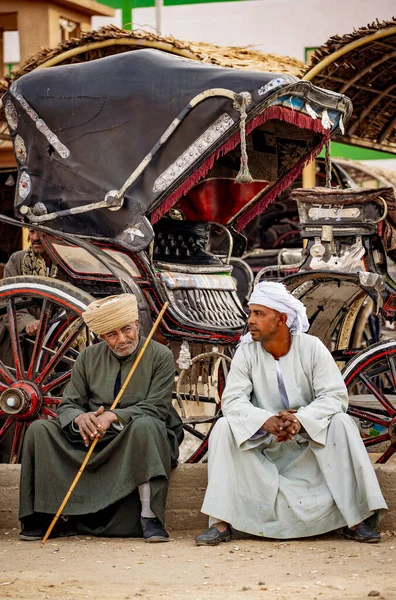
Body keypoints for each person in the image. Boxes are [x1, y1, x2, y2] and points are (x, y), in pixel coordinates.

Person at [196, 282, 387, 546]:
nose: (250, 320)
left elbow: (335, 396)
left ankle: (355, 520)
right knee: (223, 427)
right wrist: (266, 421)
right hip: (263, 444)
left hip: (311, 443)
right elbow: (232, 401)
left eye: (259, 314)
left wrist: (300, 419)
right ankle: (220, 523)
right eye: (250, 313)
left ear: (282, 319)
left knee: (342, 422)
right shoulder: (246, 353)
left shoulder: (312, 348)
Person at [19, 293, 183, 542]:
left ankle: (149, 518)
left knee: (145, 426)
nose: (121, 339)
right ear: (102, 337)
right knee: (40, 430)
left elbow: (157, 407)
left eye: (126, 330)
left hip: (137, 436)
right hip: (93, 438)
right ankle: (45, 517)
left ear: (137, 324)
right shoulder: (88, 357)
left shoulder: (160, 355)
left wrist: (114, 416)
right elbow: (68, 405)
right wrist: (79, 419)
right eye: (111, 335)